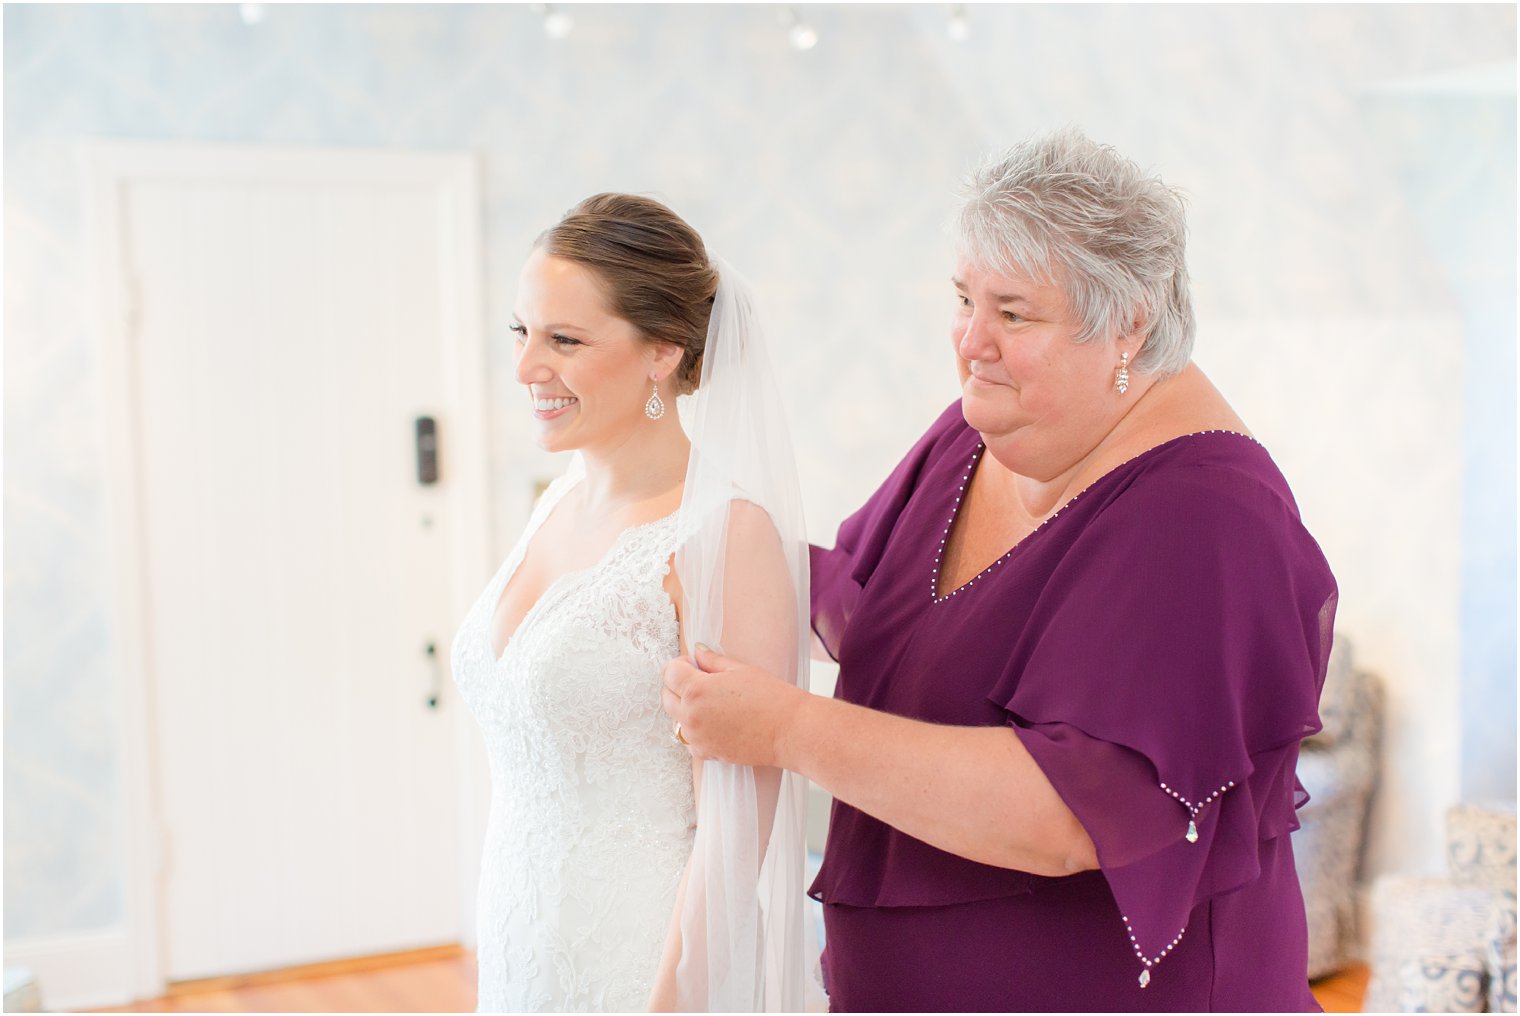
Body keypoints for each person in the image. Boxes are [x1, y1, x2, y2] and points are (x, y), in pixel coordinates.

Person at [662, 130, 1338, 1012]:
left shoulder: (1207, 516)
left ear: (1127, 323)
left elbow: (1066, 814)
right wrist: (701, 555)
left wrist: (785, 729)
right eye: (963, 298)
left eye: (1014, 314)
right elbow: (867, 606)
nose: (971, 341)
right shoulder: (981, 427)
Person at [450, 194, 812, 1012]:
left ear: (662, 353)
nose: (526, 368)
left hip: (644, 961)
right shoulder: (556, 500)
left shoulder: (725, 534)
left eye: (564, 340)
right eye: (521, 331)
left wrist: (673, 1000)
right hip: (524, 940)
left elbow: (736, 824)